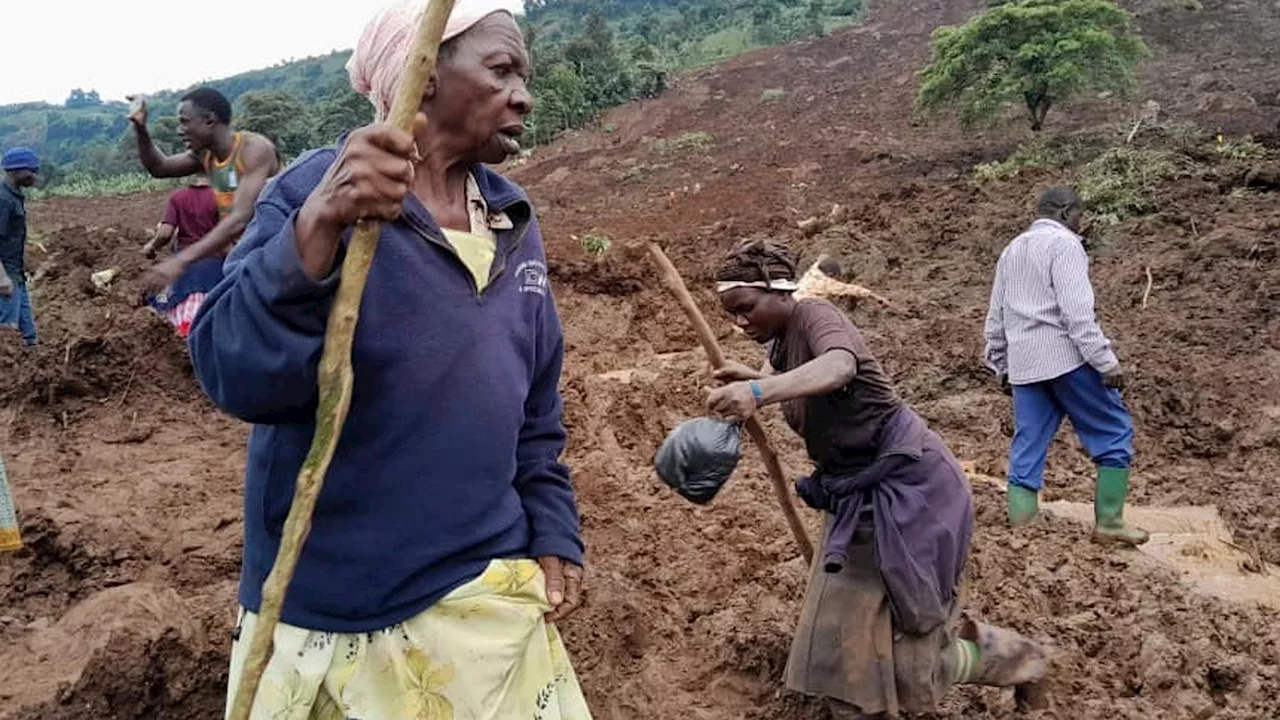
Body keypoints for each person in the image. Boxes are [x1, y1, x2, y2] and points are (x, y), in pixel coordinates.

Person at [186, 4, 591, 718]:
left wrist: (552, 527)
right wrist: (316, 227)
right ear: (423, 74)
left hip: (482, 594)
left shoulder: (512, 218)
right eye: (501, 70)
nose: (524, 94)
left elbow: (536, 404)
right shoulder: (318, 191)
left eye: (524, 75)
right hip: (337, 610)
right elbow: (232, 372)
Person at [706, 239, 1047, 719]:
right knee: (845, 645)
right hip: (855, 496)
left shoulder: (816, 315)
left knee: (910, 649)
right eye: (731, 314)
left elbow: (839, 366)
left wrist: (760, 392)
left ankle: (1022, 661)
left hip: (911, 489)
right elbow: (788, 372)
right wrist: (751, 377)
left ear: (781, 291)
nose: (739, 322)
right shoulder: (781, 342)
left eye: (745, 308)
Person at [982, 186, 1148, 545]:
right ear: (1064, 211)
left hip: (1024, 364)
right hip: (1066, 358)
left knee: (1028, 443)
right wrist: (1106, 362)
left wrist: (1000, 365)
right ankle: (1110, 524)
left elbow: (995, 318)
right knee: (1113, 430)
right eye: (1078, 215)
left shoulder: (1012, 250)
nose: (1080, 223)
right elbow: (1077, 315)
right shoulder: (1065, 245)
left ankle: (1023, 524)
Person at [128, 86, 280, 293]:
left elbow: (240, 218)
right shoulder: (205, 155)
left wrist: (181, 260)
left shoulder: (253, 150)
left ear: (209, 120)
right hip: (243, 258)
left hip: (276, 256)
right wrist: (140, 129)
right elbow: (159, 167)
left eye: (184, 122)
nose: (180, 130)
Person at [141, 173, 222, 338]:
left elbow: (165, 233)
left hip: (184, 268)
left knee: (163, 299)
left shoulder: (179, 197)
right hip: (216, 268)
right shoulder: (223, 198)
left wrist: (150, 247)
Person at [0, 147, 40, 347]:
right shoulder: (3, 200)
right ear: (15, 171)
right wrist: (2, 278)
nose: (34, 175)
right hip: (5, 279)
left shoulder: (14, 196)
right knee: (7, 336)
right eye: (31, 171)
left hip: (16, 277)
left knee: (29, 337)